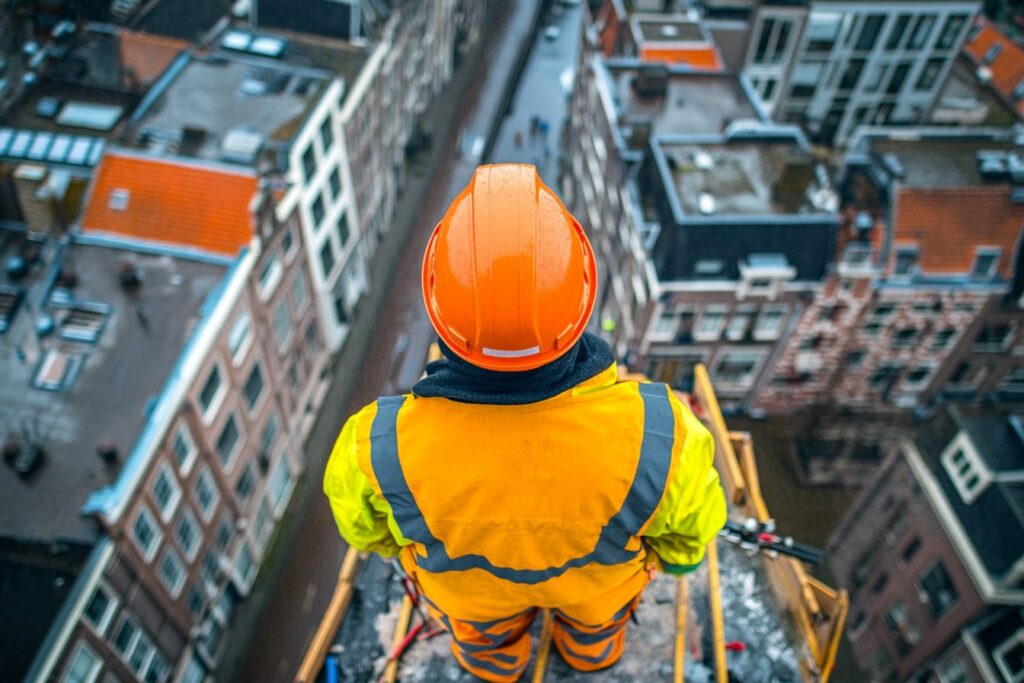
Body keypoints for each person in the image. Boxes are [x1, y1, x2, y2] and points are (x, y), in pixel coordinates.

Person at [324, 164, 726, 682]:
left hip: (470, 599)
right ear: (581, 305)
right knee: (596, 635)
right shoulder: (662, 434)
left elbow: (367, 532)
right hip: (598, 591)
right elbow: (690, 539)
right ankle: (589, 657)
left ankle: (498, 667)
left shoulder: (377, 446)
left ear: (439, 311)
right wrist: (665, 561)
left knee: (484, 646)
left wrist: (411, 547)